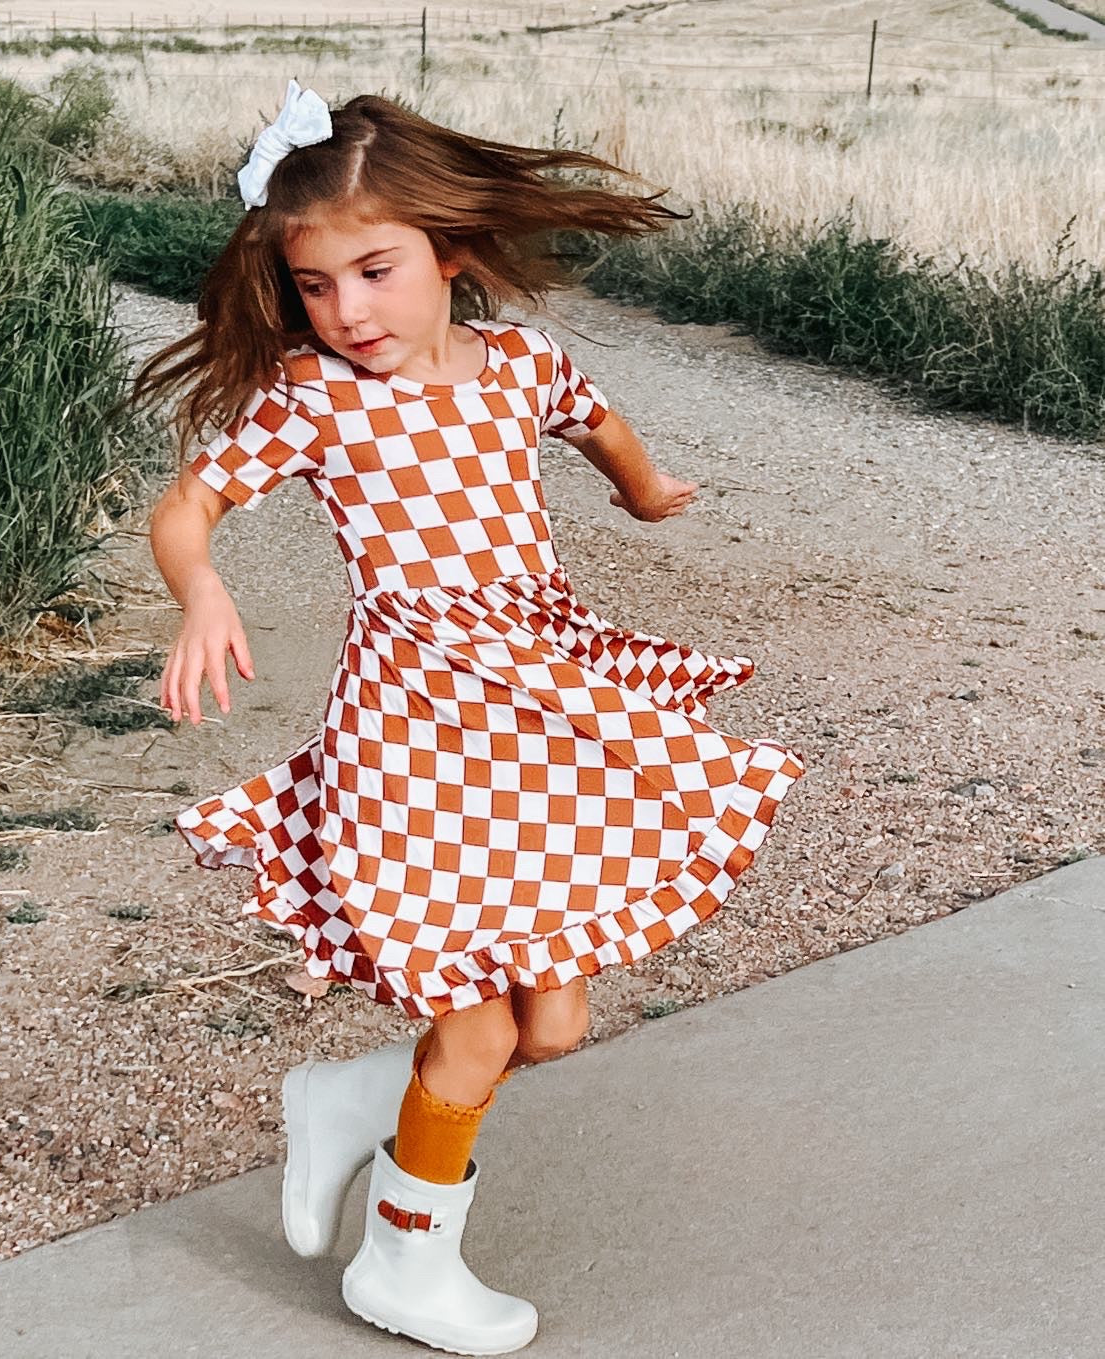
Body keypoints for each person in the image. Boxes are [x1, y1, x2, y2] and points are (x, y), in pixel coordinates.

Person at [139, 78, 807, 1356]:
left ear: (448, 250)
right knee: (479, 1023)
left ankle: (351, 1100)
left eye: (374, 272)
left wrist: (644, 489)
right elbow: (187, 508)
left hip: (539, 706)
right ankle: (405, 1264)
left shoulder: (518, 365)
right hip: (418, 729)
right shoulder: (311, 397)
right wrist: (203, 590)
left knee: (552, 1025)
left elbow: (592, 418)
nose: (349, 311)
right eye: (316, 287)